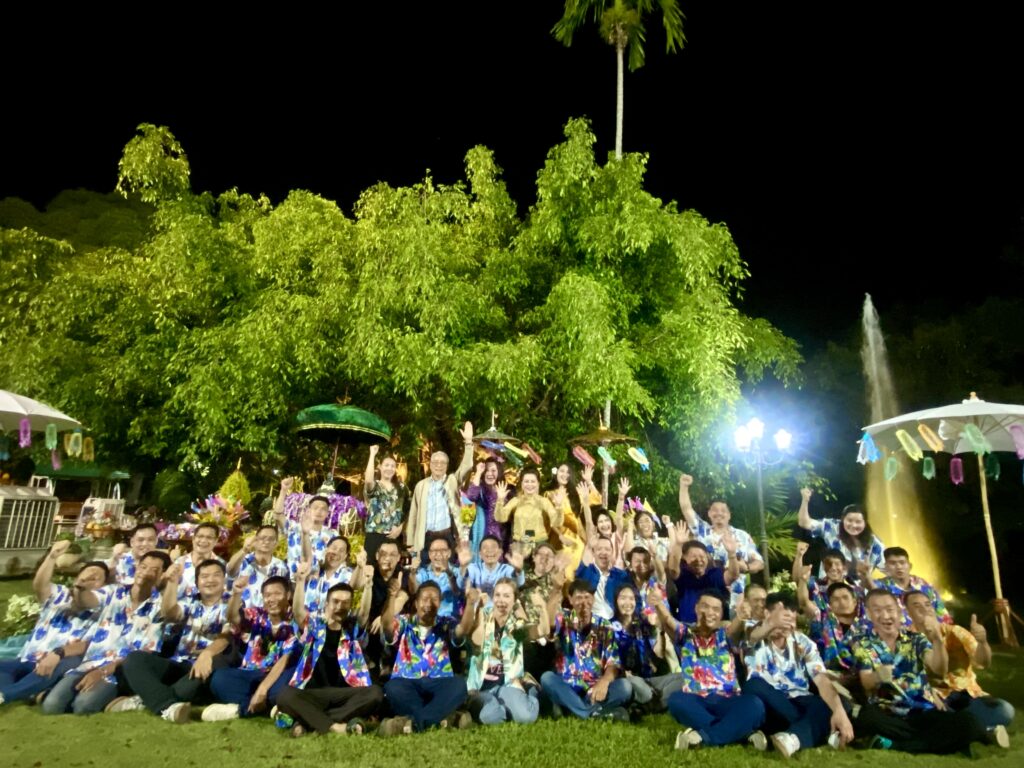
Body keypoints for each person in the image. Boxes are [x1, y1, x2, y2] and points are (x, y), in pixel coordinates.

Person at [850, 588, 1002, 753]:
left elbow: (938, 669)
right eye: (878, 610)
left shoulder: (916, 640)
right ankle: (944, 741)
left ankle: (895, 744)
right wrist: (877, 676)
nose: (885, 616)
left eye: (889, 609)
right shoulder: (863, 643)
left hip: (923, 712)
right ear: (869, 614)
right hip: (888, 714)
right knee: (866, 718)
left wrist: (937, 640)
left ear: (899, 612)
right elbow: (866, 682)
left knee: (969, 722)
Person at [42, 550, 170, 715]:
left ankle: (128, 699)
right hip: (91, 663)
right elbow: (88, 601)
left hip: (119, 671)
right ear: (137, 567)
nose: (145, 573)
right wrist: (81, 588)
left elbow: (146, 652)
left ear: (162, 575)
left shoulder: (159, 608)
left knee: (83, 707)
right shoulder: (114, 592)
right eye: (143, 567)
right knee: (51, 706)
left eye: (153, 570)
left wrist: (103, 672)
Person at [109, 558, 230, 722]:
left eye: (216, 575)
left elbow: (227, 636)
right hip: (178, 662)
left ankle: (144, 701)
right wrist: (172, 583)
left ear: (224, 579)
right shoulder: (190, 601)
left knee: (190, 684)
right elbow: (171, 613)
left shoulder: (232, 603)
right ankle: (167, 706)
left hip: (208, 663)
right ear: (197, 582)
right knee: (134, 658)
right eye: (204, 576)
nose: (210, 580)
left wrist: (207, 654)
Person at [276, 562, 384, 736]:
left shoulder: (352, 628)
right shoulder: (315, 625)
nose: (340, 607)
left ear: (350, 606)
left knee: (375, 694)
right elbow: (298, 612)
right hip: (313, 693)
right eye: (335, 601)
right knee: (285, 695)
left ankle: (309, 721)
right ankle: (335, 726)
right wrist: (300, 581)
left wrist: (368, 585)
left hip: (346, 693)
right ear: (326, 603)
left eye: (345, 603)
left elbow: (364, 612)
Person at [742, 593, 854, 757]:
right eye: (783, 618)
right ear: (767, 614)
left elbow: (821, 679)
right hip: (768, 701)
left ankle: (792, 738)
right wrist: (771, 624)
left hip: (800, 698)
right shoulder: (753, 631)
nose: (787, 625)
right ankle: (812, 729)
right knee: (754, 685)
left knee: (839, 702)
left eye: (791, 620)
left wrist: (839, 712)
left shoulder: (803, 642)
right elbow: (753, 636)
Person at [654, 590, 765, 750]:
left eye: (716, 609)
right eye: (705, 606)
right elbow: (667, 620)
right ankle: (740, 733)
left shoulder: (725, 636)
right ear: (696, 608)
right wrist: (658, 603)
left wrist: (740, 617)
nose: (710, 613)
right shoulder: (685, 634)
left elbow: (734, 630)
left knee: (755, 704)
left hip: (728, 699)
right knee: (676, 700)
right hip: (697, 700)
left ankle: (702, 737)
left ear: (721, 614)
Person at [0, 541, 106, 705]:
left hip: (58, 661)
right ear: (76, 578)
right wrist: (52, 557)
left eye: (97, 578)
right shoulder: (60, 595)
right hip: (27, 658)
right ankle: (22, 692)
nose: (90, 578)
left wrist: (58, 654)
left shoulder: (102, 611)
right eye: (87, 573)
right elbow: (40, 585)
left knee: (59, 666)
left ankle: (7, 695)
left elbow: (88, 645)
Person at [905, 591, 1014, 729]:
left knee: (1004, 710)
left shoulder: (955, 632)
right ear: (908, 612)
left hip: (967, 694)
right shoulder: (907, 640)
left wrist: (982, 642)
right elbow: (910, 677)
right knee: (920, 714)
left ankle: (963, 726)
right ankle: (979, 728)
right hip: (936, 697)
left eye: (927, 605)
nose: (925, 609)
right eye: (917, 606)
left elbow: (984, 662)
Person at [379, 580, 475, 735]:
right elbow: (387, 627)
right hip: (407, 681)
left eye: (434, 599)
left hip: (439, 681)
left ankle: (410, 724)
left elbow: (462, 630)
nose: (429, 604)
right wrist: (391, 597)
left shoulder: (446, 623)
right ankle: (443, 719)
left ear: (440, 603)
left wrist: (470, 603)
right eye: (424, 599)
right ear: (416, 603)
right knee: (392, 688)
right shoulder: (405, 622)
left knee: (458, 686)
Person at [203, 575, 299, 721]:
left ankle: (240, 710)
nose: (272, 599)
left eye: (277, 594)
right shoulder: (257, 614)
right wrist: (236, 593)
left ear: (288, 595)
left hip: (277, 674)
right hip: (250, 673)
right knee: (219, 679)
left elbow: (284, 660)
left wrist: (262, 690)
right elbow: (233, 617)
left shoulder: (295, 619)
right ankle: (270, 707)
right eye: (267, 595)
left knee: (286, 686)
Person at [540, 578, 630, 721]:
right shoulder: (563, 619)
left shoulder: (604, 626)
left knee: (625, 687)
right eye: (579, 598)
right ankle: (592, 713)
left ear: (593, 599)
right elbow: (549, 626)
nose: (584, 602)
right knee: (547, 678)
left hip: (594, 688)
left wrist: (605, 681)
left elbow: (613, 662)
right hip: (567, 686)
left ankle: (574, 709)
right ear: (570, 599)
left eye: (587, 597)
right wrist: (556, 590)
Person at [465, 577, 547, 725]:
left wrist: (542, 607)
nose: (501, 600)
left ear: (514, 601)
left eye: (507, 596)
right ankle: (505, 706)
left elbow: (541, 631)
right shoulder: (483, 615)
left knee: (526, 717)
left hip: (507, 686)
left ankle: (531, 689)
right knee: (490, 717)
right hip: (481, 688)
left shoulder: (516, 625)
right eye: (497, 595)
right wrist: (480, 610)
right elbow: (477, 641)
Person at [678, 473, 762, 609]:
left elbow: (759, 562)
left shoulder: (742, 536)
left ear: (729, 515)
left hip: (735, 600)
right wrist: (684, 486)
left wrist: (747, 567)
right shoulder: (702, 531)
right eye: (715, 510)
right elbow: (686, 509)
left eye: (723, 511)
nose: (719, 513)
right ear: (709, 514)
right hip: (706, 597)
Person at [406, 421, 475, 563]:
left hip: (447, 535)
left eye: (442, 463)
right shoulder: (421, 486)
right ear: (430, 464)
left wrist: (468, 442)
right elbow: (413, 514)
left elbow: (467, 466)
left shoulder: (452, 480)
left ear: (447, 466)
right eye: (435, 462)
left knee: (448, 571)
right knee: (425, 570)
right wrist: (410, 542)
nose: (439, 465)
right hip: (426, 537)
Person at [798, 488, 884, 582]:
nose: (853, 525)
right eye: (849, 520)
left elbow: (890, 568)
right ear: (843, 519)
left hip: (859, 589)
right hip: (829, 585)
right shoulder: (832, 527)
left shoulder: (874, 543)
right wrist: (805, 500)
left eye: (858, 522)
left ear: (865, 523)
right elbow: (804, 522)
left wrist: (878, 585)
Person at [609, 583, 663, 710]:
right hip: (624, 678)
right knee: (638, 687)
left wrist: (660, 629)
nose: (628, 602)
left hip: (647, 678)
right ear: (616, 601)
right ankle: (651, 701)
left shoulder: (641, 625)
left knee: (679, 679)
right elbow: (609, 660)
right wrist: (623, 673)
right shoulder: (609, 627)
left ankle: (649, 700)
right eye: (623, 598)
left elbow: (659, 655)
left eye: (631, 598)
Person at [667, 535, 740, 624]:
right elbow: (673, 570)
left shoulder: (714, 574)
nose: (699, 560)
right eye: (694, 556)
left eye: (702, 556)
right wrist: (678, 545)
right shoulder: (683, 575)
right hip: (688, 626)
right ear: (684, 558)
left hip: (714, 626)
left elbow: (733, 575)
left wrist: (732, 554)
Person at [274, 478, 336, 578]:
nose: (319, 511)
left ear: (327, 513)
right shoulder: (294, 528)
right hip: (293, 579)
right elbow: (277, 515)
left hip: (317, 582)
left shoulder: (333, 535)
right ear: (308, 510)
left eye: (323, 509)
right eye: (315, 508)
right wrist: (283, 490)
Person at [874, 547, 951, 626]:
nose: (899, 567)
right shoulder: (879, 587)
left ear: (910, 566)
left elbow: (943, 616)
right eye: (893, 563)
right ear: (886, 567)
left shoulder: (924, 586)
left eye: (902, 562)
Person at [494, 469, 560, 555]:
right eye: (526, 481)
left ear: (538, 483)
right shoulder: (515, 501)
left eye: (533, 481)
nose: (529, 484)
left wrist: (559, 507)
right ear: (521, 483)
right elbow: (500, 518)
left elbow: (556, 522)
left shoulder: (544, 501)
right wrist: (500, 500)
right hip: (519, 545)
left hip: (539, 545)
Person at [226, 525, 289, 609]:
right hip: (240, 612)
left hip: (268, 613)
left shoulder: (281, 567)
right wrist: (244, 550)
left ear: (276, 543)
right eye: (263, 538)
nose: (266, 542)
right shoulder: (243, 560)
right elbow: (230, 571)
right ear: (255, 540)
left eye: (271, 539)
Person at [363, 444, 407, 563]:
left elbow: (408, 510)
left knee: (392, 568)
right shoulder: (376, 485)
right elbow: (368, 480)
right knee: (371, 567)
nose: (389, 468)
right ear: (380, 467)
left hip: (394, 536)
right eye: (386, 465)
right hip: (374, 534)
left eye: (392, 466)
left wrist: (400, 528)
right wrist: (372, 454)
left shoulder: (401, 488)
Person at [301, 535, 363, 616]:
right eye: (334, 548)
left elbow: (356, 585)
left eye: (341, 551)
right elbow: (306, 557)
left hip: (333, 622)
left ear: (345, 556)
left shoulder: (348, 573)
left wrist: (359, 566)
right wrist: (305, 534)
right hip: (305, 620)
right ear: (326, 549)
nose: (336, 552)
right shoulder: (315, 569)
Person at [544, 462, 586, 576]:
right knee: (561, 574)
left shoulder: (575, 496)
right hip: (559, 539)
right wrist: (560, 536)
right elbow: (548, 519)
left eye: (568, 472)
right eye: (562, 471)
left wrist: (584, 539)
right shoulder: (549, 494)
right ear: (556, 473)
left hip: (577, 541)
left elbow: (578, 519)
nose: (565, 474)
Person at [411, 538, 465, 617]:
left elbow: (457, 591)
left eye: (443, 550)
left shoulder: (457, 572)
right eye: (434, 551)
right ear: (429, 554)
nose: (439, 554)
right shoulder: (423, 572)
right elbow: (415, 591)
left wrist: (448, 572)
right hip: (426, 618)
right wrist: (412, 573)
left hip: (449, 619)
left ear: (449, 553)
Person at [170, 522, 224, 601]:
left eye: (209, 537)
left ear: (216, 541)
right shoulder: (179, 562)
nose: (203, 540)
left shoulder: (221, 565)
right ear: (193, 539)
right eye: (200, 536)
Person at [465, 459, 506, 559]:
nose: (489, 473)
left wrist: (501, 499)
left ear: (499, 472)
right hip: (477, 537)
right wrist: (478, 472)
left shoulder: (504, 491)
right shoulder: (479, 488)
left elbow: (504, 519)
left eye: (493, 470)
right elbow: (470, 498)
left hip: (496, 539)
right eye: (486, 470)